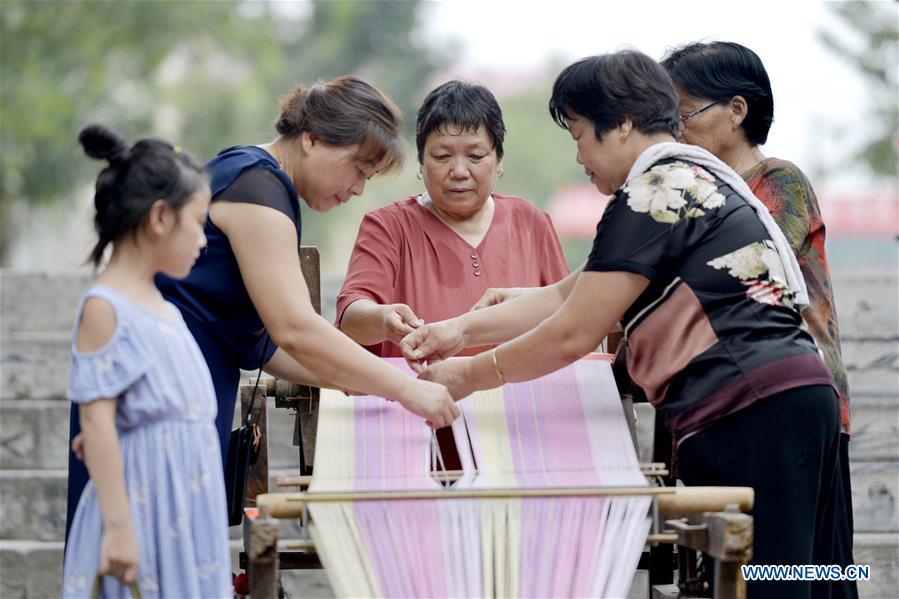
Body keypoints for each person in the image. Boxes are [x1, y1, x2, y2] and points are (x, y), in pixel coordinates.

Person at [400, 51, 854, 598]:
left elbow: (574, 331)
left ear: (620, 125)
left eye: (580, 137)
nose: (579, 158)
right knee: (804, 576)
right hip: (789, 399)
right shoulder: (688, 178)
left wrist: (467, 375)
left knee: (768, 585)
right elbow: (572, 292)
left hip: (753, 408)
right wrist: (458, 331)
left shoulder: (653, 193)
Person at [66, 76, 459, 543]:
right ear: (311, 139)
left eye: (367, 179)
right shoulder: (258, 184)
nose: (357, 189)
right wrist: (403, 388)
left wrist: (361, 378)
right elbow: (293, 326)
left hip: (191, 391)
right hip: (159, 396)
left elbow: (266, 344)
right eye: (356, 168)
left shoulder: (259, 179)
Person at [660, 43, 856, 588]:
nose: (675, 130)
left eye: (685, 113)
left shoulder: (777, 182)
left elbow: (738, 270)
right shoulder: (697, 193)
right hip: (738, 406)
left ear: (737, 111)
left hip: (794, 402)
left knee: (800, 570)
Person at [336, 80, 569, 467]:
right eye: (442, 156)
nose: (459, 171)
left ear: (499, 160)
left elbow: (568, 318)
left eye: (476, 156)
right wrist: (383, 318)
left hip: (525, 432)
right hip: (415, 432)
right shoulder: (388, 226)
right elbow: (350, 318)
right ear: (421, 162)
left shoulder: (532, 222)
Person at [62, 125, 231, 596]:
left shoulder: (166, 309)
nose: (203, 239)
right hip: (144, 508)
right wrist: (118, 529)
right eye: (198, 222)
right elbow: (95, 422)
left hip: (188, 505)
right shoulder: (105, 306)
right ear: (160, 218)